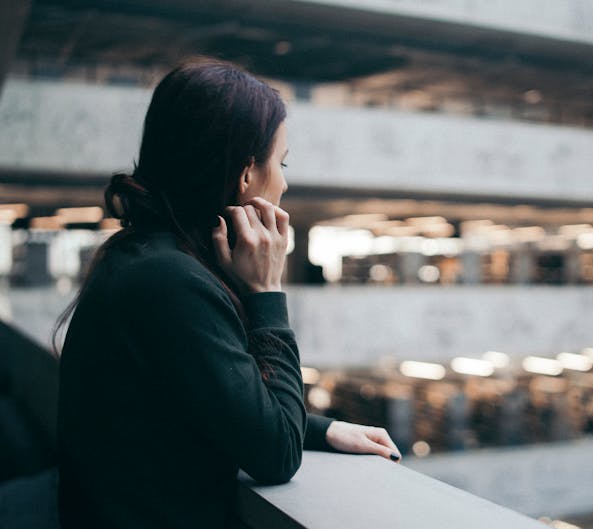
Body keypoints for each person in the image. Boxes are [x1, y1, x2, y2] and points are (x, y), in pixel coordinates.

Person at [53, 59, 401, 529]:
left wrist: (323, 428)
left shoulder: (144, 256)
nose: (283, 181)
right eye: (281, 163)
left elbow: (211, 396)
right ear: (244, 176)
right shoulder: (172, 282)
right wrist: (266, 293)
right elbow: (275, 453)